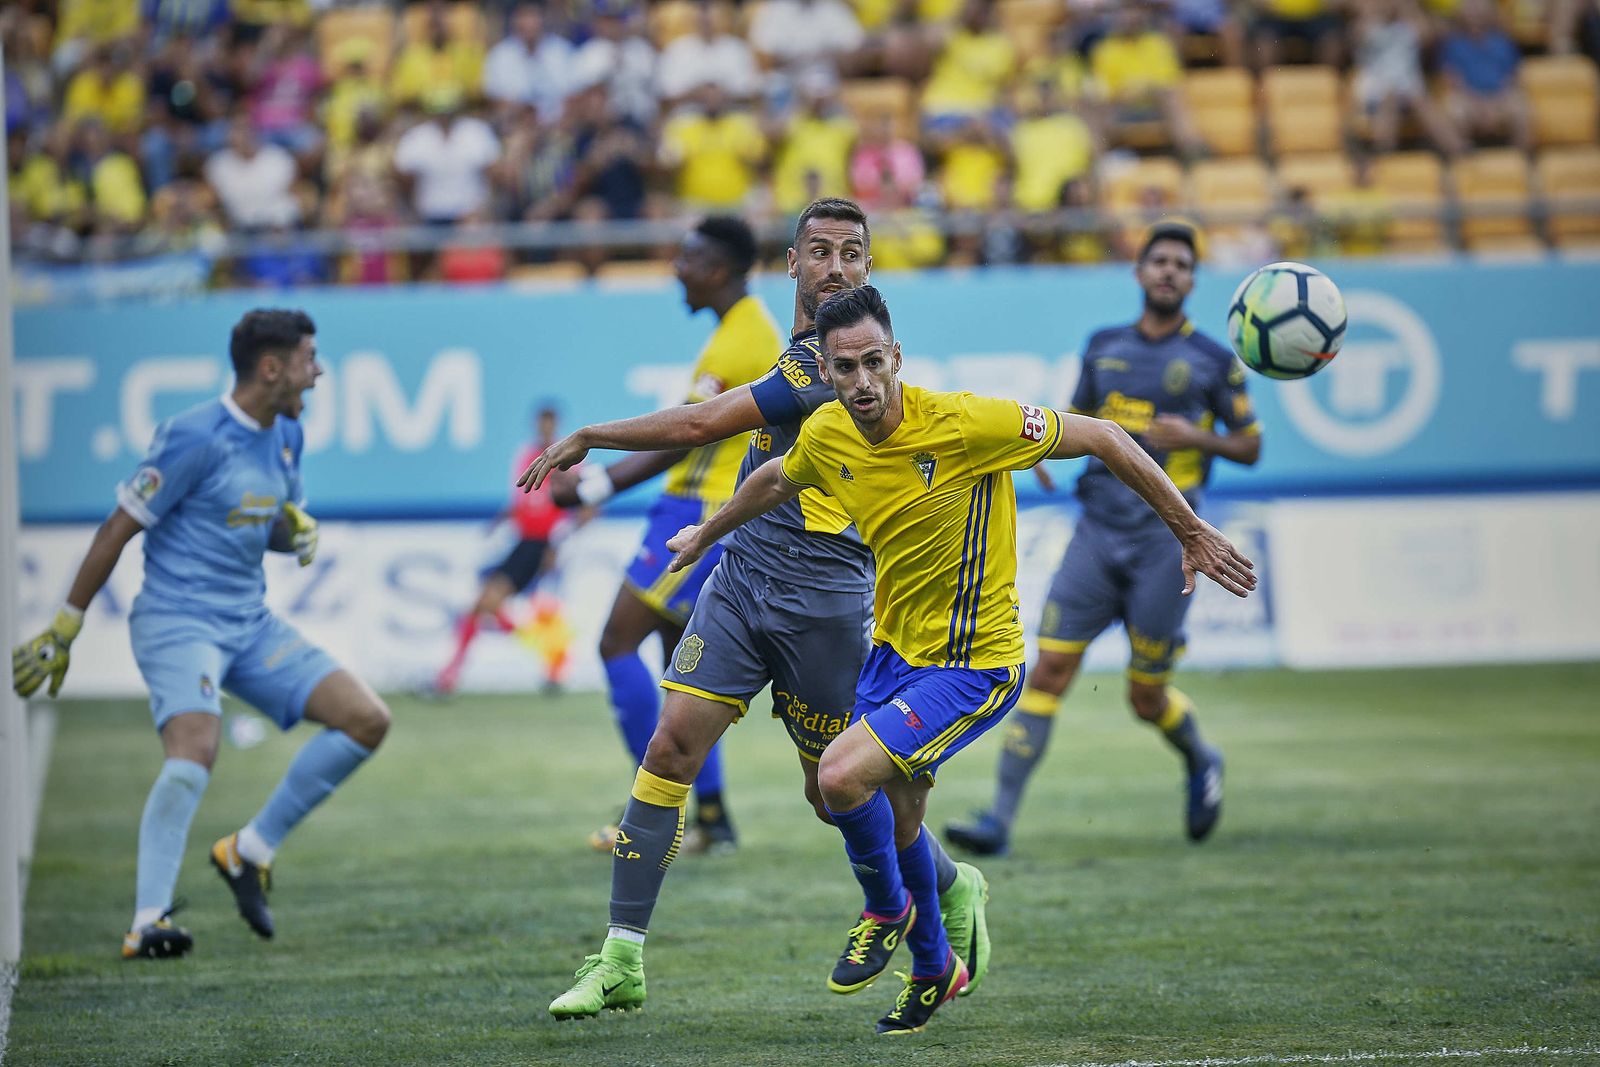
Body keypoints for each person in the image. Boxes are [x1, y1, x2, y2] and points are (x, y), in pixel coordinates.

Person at [657, 284, 1256, 1033]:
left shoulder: (968, 422)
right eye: (845, 368)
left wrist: (1189, 529)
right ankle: (935, 964)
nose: (862, 381)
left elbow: (1105, 436)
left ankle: (885, 909)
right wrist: (708, 532)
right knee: (895, 819)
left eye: (874, 362)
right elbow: (778, 477)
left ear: (897, 357)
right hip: (893, 656)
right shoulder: (831, 431)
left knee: (839, 777)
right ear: (828, 373)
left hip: (974, 665)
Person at [521, 199, 990, 1029]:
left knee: (832, 792)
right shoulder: (796, 345)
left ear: (869, 267)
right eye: (821, 251)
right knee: (670, 745)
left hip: (825, 602)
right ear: (792, 263)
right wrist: (712, 533)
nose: (836, 266)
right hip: (742, 579)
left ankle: (951, 885)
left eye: (852, 253)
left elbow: (703, 422)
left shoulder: (834, 365)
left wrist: (593, 435)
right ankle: (620, 957)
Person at [11, 310, 392, 959]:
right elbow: (117, 529)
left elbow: (268, 523)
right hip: (177, 620)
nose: (319, 372)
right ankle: (147, 921)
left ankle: (249, 850)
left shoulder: (288, 434)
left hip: (249, 622)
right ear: (270, 368)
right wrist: (64, 627)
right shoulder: (192, 436)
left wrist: (293, 532)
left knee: (366, 719)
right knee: (196, 747)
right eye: (309, 359)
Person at [945, 223, 1263, 859]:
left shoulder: (1212, 360)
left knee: (1145, 697)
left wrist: (1198, 438)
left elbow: (1251, 446)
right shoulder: (1103, 346)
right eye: (1159, 261)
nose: (1169, 271)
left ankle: (1201, 757)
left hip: (1167, 546)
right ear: (1139, 273)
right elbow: (1076, 423)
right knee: (1048, 670)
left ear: (1192, 280)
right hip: (1096, 532)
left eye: (1181, 264)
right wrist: (1031, 450)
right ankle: (998, 820)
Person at [574, 215, 784, 853]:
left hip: (697, 511)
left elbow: (685, 433)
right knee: (683, 670)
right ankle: (711, 818)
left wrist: (594, 485)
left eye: (688, 260)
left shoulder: (740, 340)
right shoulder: (744, 330)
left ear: (718, 270)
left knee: (617, 641)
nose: (677, 269)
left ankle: (651, 810)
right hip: (707, 508)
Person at [434, 403, 583, 695]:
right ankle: (550, 659)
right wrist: (500, 521)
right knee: (487, 605)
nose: (545, 428)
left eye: (550, 423)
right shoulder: (527, 456)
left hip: (543, 546)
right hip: (523, 541)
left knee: (489, 603)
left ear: (556, 425)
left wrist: (559, 540)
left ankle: (450, 677)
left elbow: (586, 507)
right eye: (541, 423)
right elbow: (522, 500)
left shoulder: (568, 458)